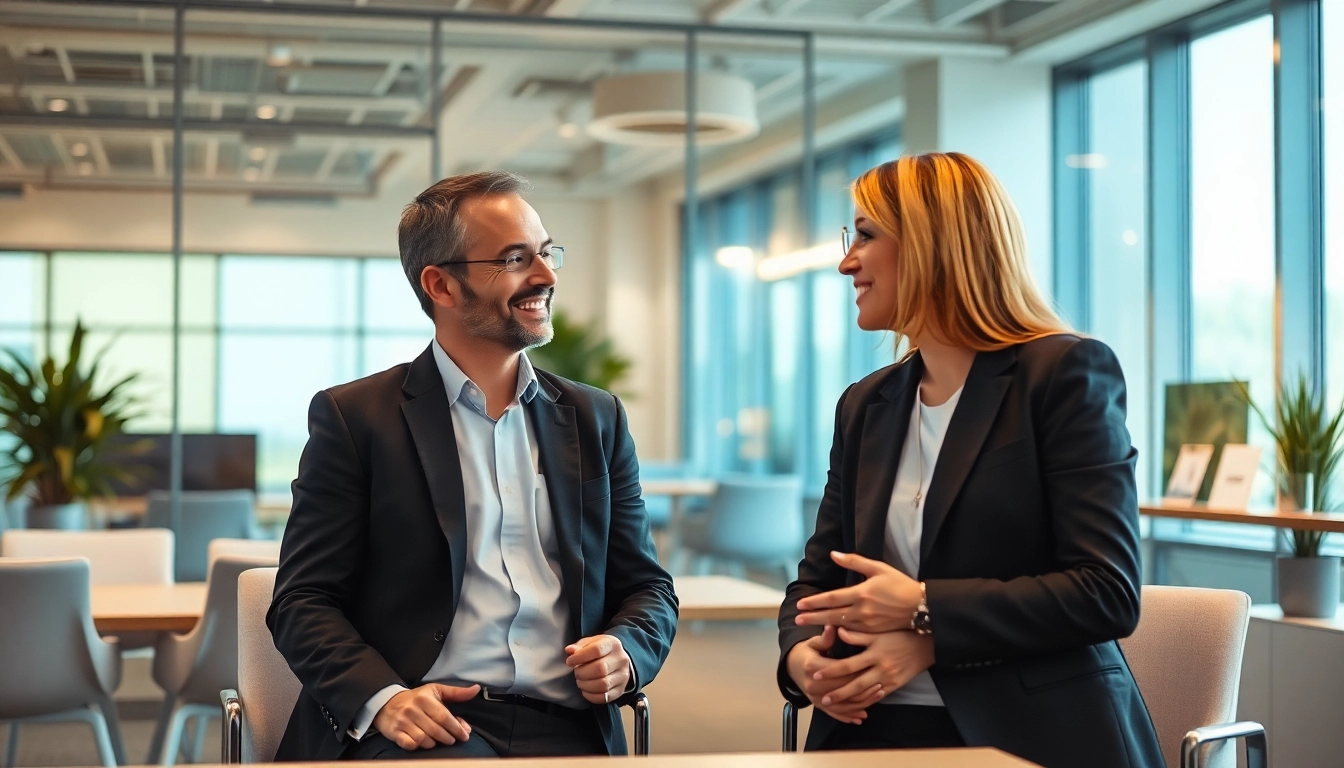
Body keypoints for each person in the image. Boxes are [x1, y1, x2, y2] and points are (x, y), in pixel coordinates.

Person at [268, 171, 677, 761]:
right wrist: (384, 699)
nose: (546, 275)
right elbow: (302, 600)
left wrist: (628, 651)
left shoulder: (596, 417)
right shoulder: (356, 419)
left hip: (569, 724)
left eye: (546, 252)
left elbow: (647, 587)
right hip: (428, 722)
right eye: (514, 259)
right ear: (441, 285)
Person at [776, 152, 1163, 768]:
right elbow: (818, 581)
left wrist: (924, 614)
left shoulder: (1062, 374)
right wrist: (802, 659)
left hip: (1029, 734)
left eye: (866, 236)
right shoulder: (865, 405)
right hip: (871, 726)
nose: (847, 262)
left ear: (931, 245)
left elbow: (1106, 592)